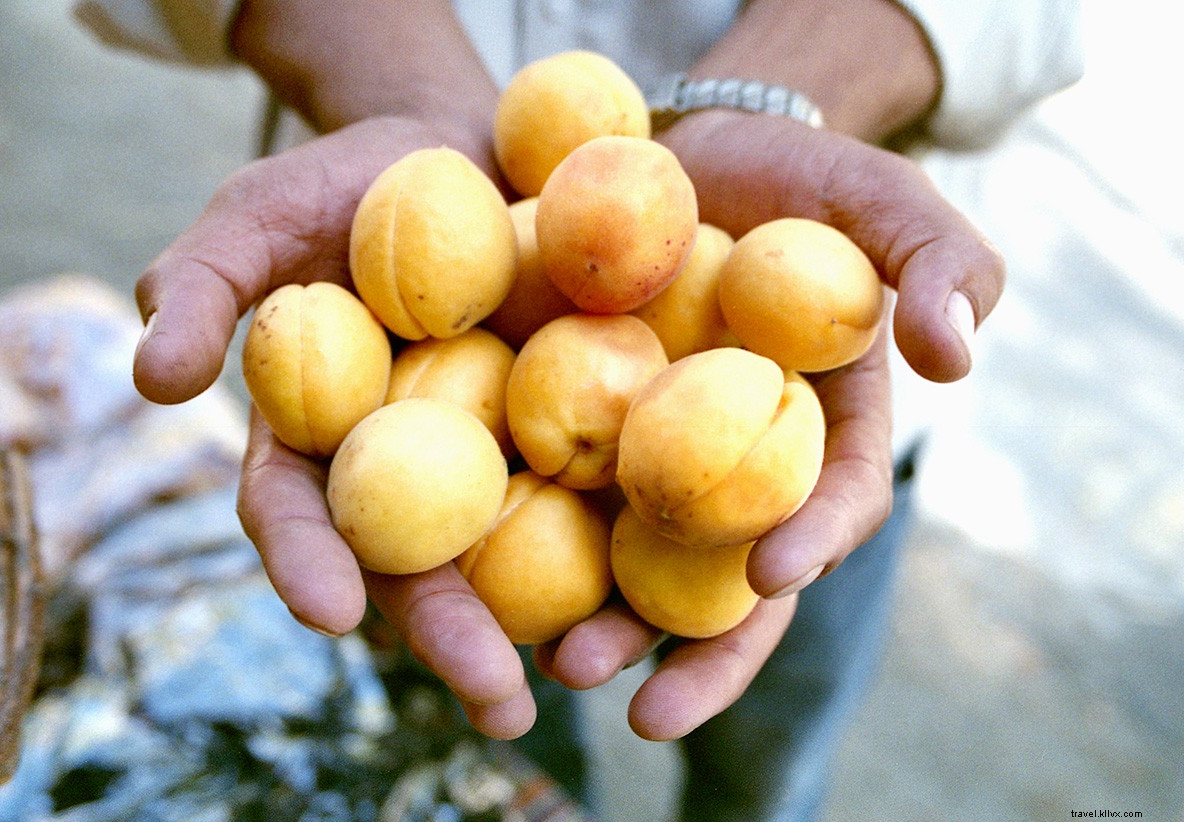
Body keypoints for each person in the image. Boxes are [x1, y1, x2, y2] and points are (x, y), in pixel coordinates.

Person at [74, 0, 1083, 818]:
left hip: (811, 472)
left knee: (769, 761)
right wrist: (406, 87)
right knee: (510, 731)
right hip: (464, 448)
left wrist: (771, 96)